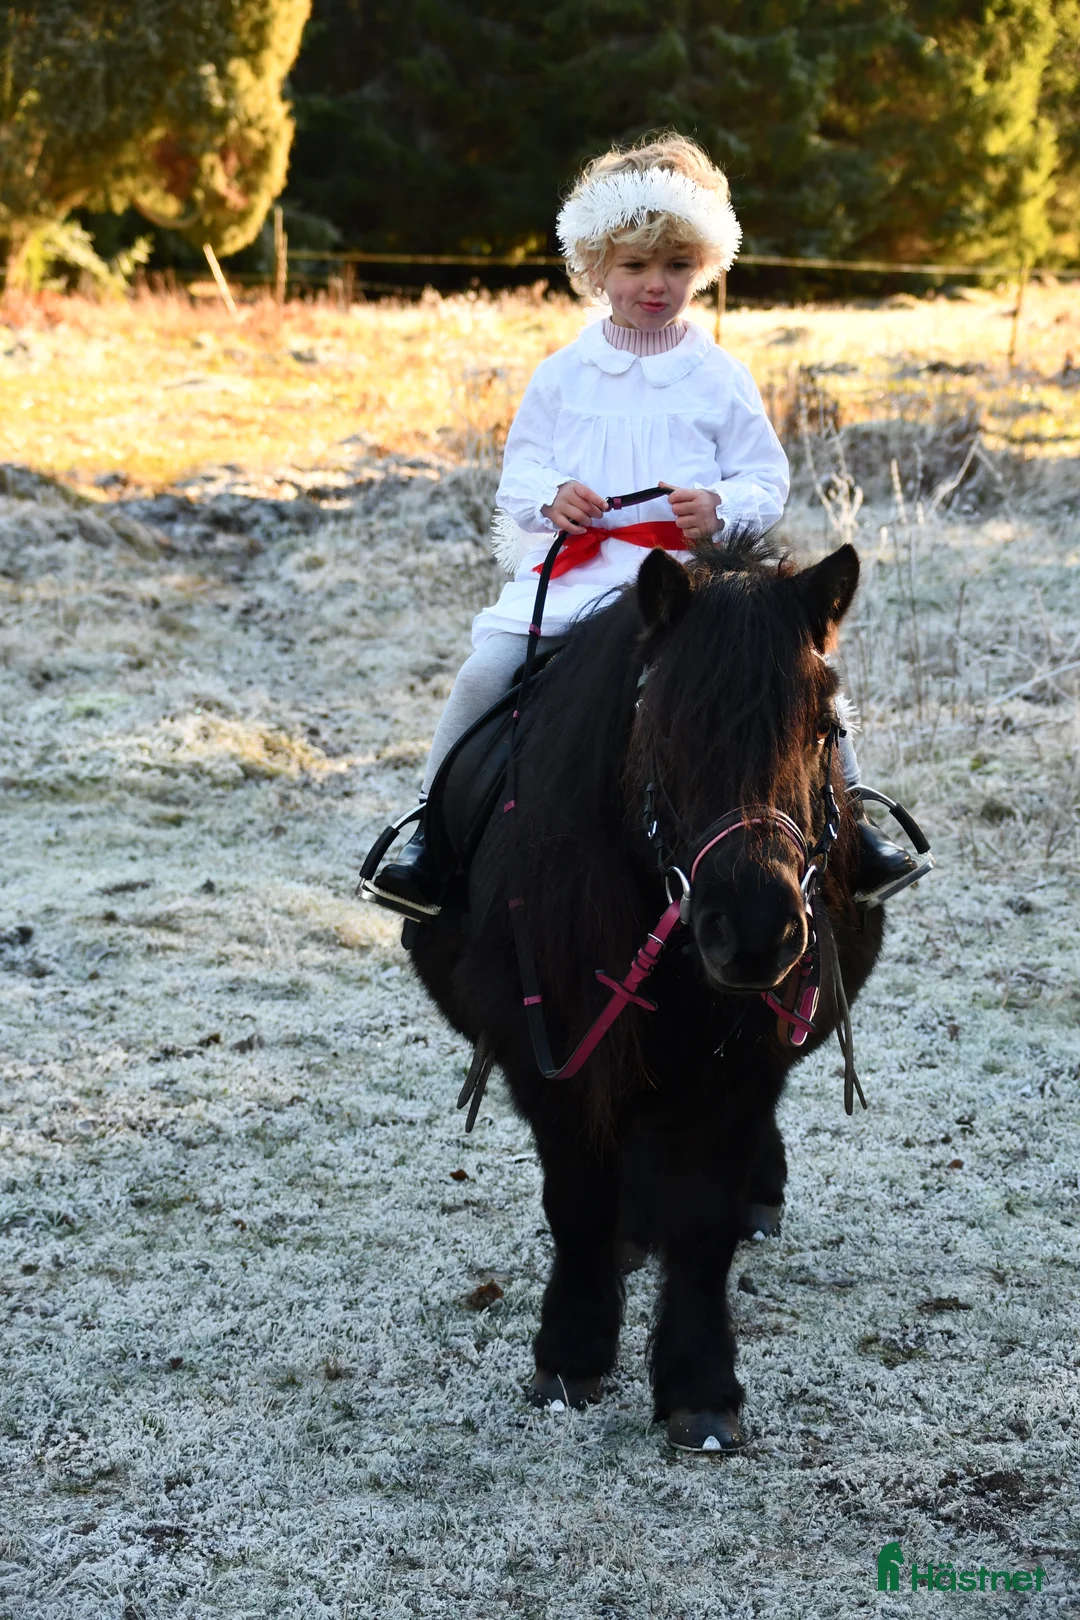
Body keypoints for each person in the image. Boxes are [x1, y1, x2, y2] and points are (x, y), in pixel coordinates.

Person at [378, 134, 930, 909]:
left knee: (795, 678)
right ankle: (431, 839)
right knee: (485, 674)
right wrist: (554, 496)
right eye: (634, 267)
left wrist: (722, 508)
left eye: (676, 266)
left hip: (694, 588)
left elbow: (765, 477)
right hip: (583, 580)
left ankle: (856, 828)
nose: (654, 285)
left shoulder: (716, 376)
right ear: (596, 267)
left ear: (702, 265)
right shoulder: (564, 375)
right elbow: (521, 472)